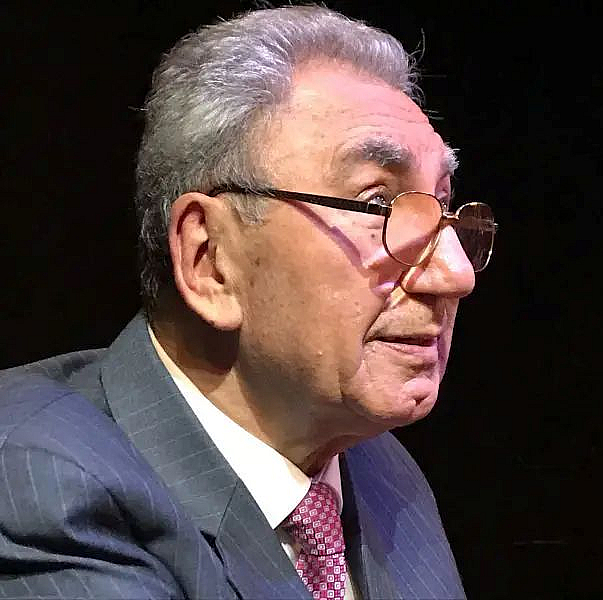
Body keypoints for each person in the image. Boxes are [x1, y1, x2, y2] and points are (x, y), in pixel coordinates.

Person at [0, 5, 497, 599]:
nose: (455, 274)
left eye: (443, 209)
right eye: (379, 207)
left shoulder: (384, 477)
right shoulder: (43, 480)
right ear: (211, 259)